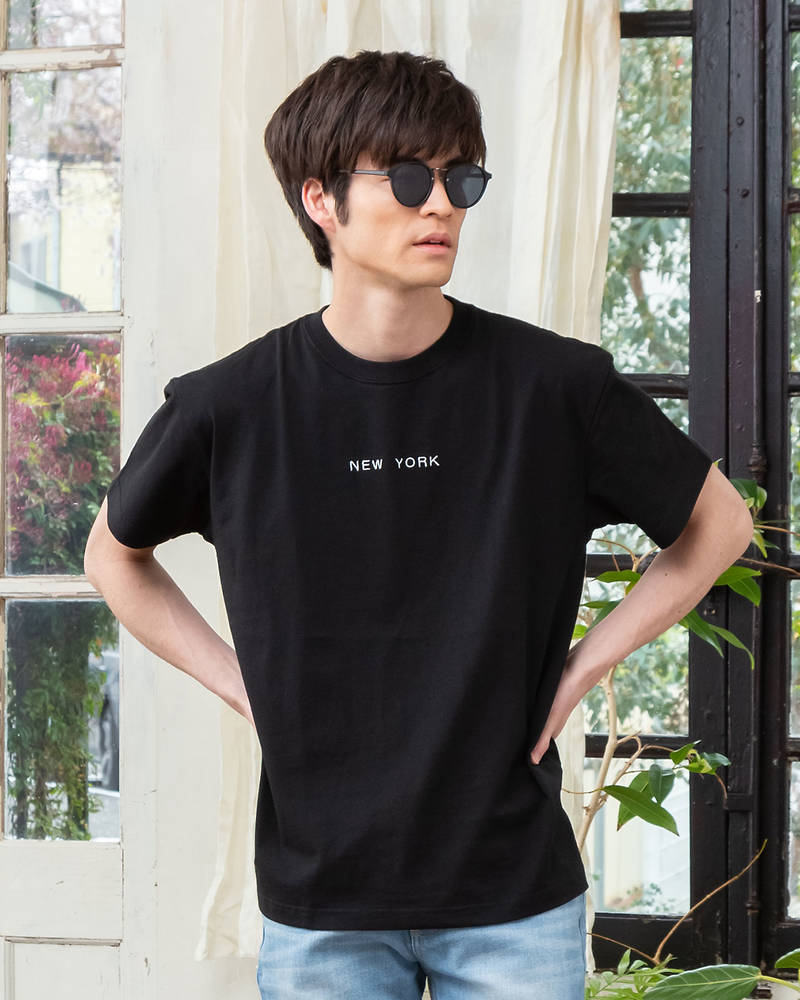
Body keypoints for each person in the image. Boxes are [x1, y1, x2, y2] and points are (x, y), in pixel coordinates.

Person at [84, 49, 753, 1000]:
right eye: (405, 178)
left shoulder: (556, 390)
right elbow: (114, 556)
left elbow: (720, 525)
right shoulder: (230, 406)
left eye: (459, 177)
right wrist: (243, 686)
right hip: (323, 902)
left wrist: (581, 669)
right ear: (319, 199)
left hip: (514, 896)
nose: (439, 204)